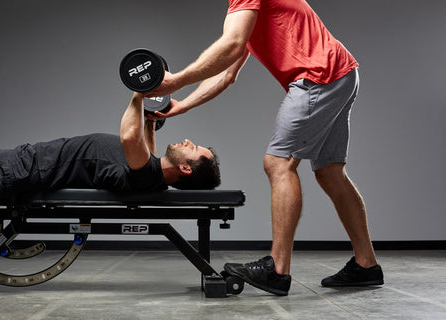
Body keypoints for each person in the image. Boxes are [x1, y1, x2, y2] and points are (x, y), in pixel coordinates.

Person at [145, 0, 383, 295]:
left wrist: (176, 81)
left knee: (278, 163)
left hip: (318, 77)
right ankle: (366, 265)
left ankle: (277, 270)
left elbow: (230, 44)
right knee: (330, 172)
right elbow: (227, 73)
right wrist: (182, 105)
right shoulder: (248, 10)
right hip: (340, 74)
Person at [0, 92, 220, 206]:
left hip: (12, 170)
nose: (187, 140)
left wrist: (140, 92)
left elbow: (130, 138)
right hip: (17, 164)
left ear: (185, 168)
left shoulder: (144, 174)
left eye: (193, 147)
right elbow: (146, 151)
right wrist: (150, 122)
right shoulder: (152, 173)